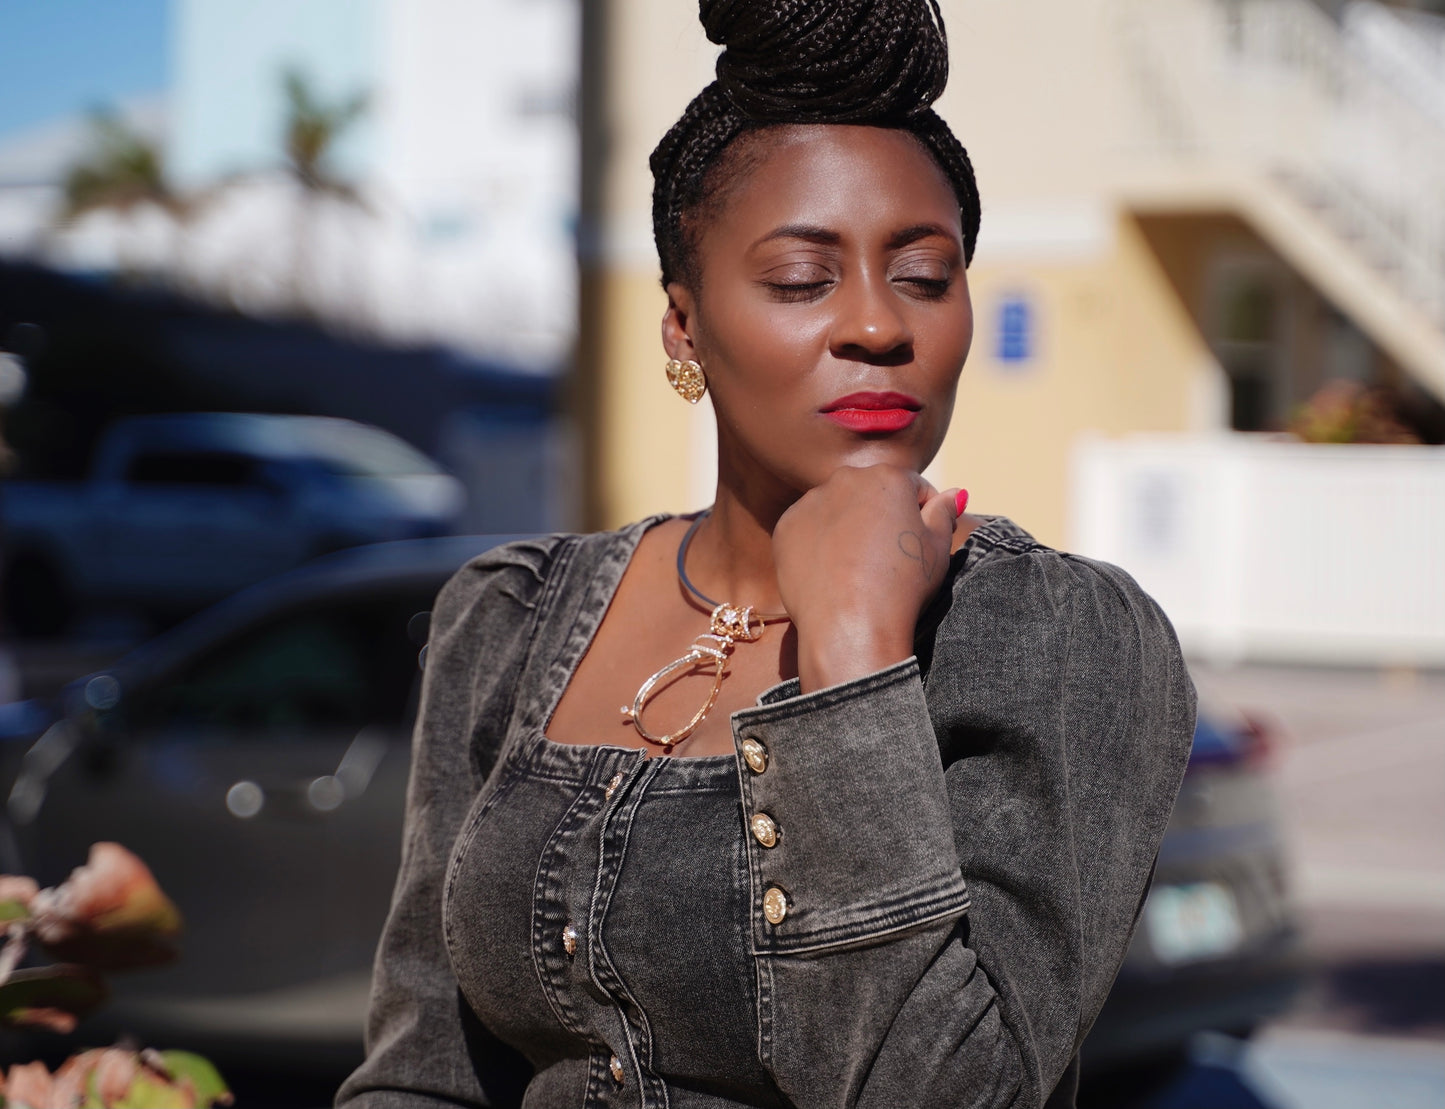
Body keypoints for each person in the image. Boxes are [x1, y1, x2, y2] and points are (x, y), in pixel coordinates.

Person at [336, 1, 1195, 1106]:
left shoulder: (1055, 635)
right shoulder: (509, 616)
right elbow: (421, 1069)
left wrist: (852, 655)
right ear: (682, 328)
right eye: (801, 279)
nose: (878, 326)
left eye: (925, 276)